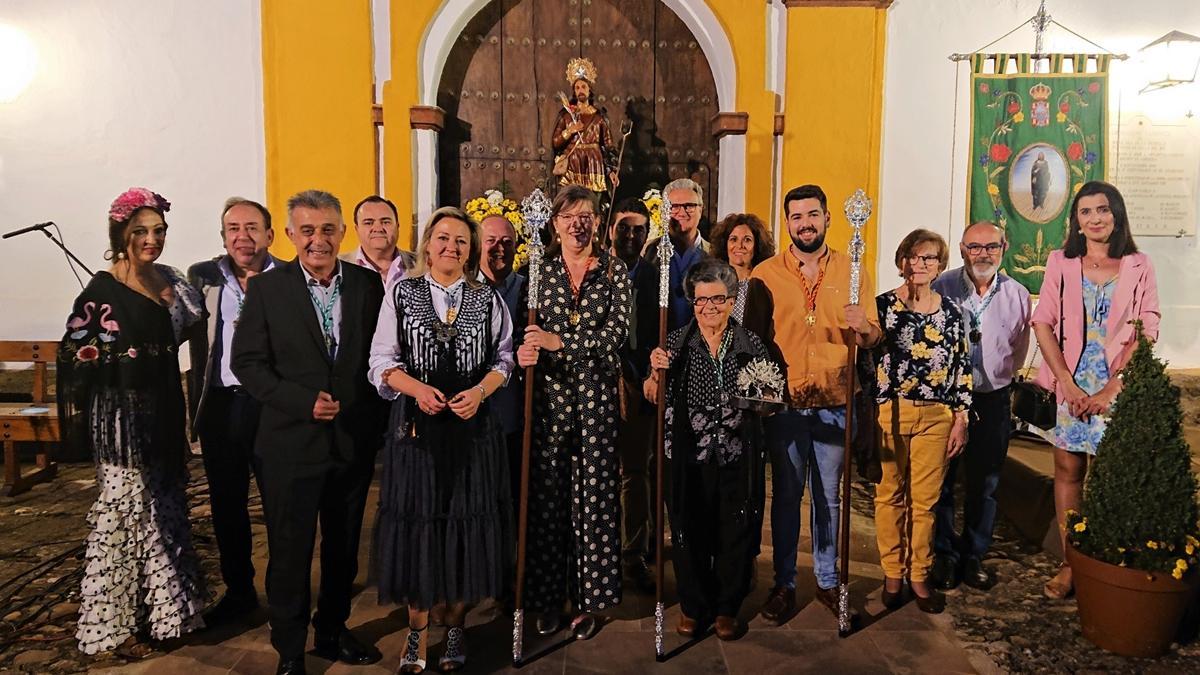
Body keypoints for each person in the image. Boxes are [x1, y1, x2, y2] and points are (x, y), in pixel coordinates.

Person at [231, 189, 386, 675]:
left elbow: (378, 357)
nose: (318, 240)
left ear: (342, 233)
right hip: (289, 445)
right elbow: (248, 364)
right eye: (308, 230)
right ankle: (291, 649)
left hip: (349, 444)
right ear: (293, 234)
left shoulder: (367, 285)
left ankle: (334, 630)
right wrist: (301, 402)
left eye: (327, 230)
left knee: (342, 550)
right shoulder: (268, 290)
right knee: (291, 550)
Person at [58, 187, 206, 657]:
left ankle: (166, 615)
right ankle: (111, 626)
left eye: (158, 230)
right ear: (120, 233)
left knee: (163, 509)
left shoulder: (171, 280)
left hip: (163, 409)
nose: (151, 239)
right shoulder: (102, 291)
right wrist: (112, 362)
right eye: (140, 231)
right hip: (122, 422)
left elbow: (190, 326)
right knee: (123, 514)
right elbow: (75, 353)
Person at [369, 206, 515, 673]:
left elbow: (505, 359)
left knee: (463, 528)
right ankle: (416, 632)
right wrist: (415, 389)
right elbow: (380, 360)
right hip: (417, 433)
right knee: (420, 528)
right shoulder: (401, 293)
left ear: (471, 251)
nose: (450, 247)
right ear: (427, 243)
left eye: (461, 241)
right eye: (442, 237)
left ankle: (454, 624)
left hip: (474, 434)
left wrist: (478, 392)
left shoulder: (487, 299)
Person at [750, 184, 882, 624]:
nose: (804, 223)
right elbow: (753, 340)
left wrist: (863, 327)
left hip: (835, 397)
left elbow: (873, 337)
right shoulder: (765, 273)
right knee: (787, 496)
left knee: (829, 498)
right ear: (786, 222)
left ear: (827, 217)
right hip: (786, 402)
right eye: (796, 217)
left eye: (812, 215)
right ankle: (784, 583)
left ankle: (827, 579)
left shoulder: (854, 268)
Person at [1031, 180, 1160, 600]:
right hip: (1069, 379)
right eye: (1085, 212)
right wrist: (1066, 383)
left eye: (1102, 210)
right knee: (1069, 471)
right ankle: (1072, 563)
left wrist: (1112, 388)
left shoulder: (1139, 264)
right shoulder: (1061, 262)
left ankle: (1106, 561)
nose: (1095, 219)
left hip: (1116, 383)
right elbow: (1043, 322)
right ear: (1076, 221)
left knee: (1110, 475)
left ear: (1116, 214)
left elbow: (1148, 327)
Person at [644, 259, 778, 641]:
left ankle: (726, 608)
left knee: (734, 529)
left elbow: (769, 397)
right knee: (689, 530)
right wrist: (654, 374)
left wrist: (764, 398)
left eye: (718, 299)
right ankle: (693, 605)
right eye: (701, 301)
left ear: (732, 300)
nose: (709, 309)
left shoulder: (750, 343)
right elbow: (653, 395)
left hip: (736, 452)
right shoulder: (674, 344)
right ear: (691, 302)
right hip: (687, 455)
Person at [517, 185, 629, 640]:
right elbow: (524, 334)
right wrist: (530, 348)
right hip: (550, 406)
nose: (577, 224)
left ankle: (589, 602)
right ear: (555, 223)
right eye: (568, 216)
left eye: (585, 215)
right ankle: (547, 599)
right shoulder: (537, 272)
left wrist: (559, 342)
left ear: (597, 222)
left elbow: (615, 335)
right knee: (548, 504)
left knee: (596, 505)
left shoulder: (615, 273)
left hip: (597, 406)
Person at [186, 197, 284, 624]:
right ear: (223, 236)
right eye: (233, 229)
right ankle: (240, 591)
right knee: (227, 505)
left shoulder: (288, 278)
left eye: (252, 227)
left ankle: (285, 591)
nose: (242, 236)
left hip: (272, 407)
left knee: (281, 503)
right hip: (222, 406)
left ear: (269, 234)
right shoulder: (204, 278)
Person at [872, 229, 973, 614]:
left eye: (929, 258)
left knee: (926, 501)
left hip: (936, 415)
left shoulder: (951, 313)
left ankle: (919, 574)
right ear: (902, 261)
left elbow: (963, 367)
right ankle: (892, 572)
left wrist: (961, 418)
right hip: (891, 410)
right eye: (914, 257)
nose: (920, 264)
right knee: (889, 495)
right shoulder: (883, 307)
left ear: (940, 265)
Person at [930, 222, 1031, 591]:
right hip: (946, 400)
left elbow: (1019, 348)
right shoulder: (942, 288)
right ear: (961, 249)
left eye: (991, 246)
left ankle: (974, 554)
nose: (983, 254)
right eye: (975, 247)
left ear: (1004, 247)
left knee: (985, 483)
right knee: (941, 479)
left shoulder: (1018, 295)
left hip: (992, 399)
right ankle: (943, 553)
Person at [607, 197, 657, 591]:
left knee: (635, 471)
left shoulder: (655, 276)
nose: (630, 234)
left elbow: (659, 329)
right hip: (595, 383)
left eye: (638, 229)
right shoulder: (594, 271)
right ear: (611, 229)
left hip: (638, 383)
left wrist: (646, 374)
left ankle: (633, 552)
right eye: (624, 226)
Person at [552, 57, 617, 200]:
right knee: (571, 201)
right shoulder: (566, 115)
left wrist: (611, 171)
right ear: (574, 92)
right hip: (573, 162)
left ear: (589, 90)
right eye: (577, 87)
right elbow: (556, 142)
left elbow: (608, 145)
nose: (580, 90)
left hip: (594, 163)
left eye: (583, 87)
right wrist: (570, 130)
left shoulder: (599, 117)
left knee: (593, 202)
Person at [709, 212, 776, 337]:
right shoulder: (712, 284)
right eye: (733, 239)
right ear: (725, 245)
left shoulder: (765, 285)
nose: (740, 246)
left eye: (747, 240)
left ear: (757, 246)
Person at [340, 195, 416, 283]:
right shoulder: (336, 268)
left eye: (385, 222)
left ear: (397, 226)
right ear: (357, 229)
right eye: (368, 223)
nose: (378, 228)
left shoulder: (423, 265)